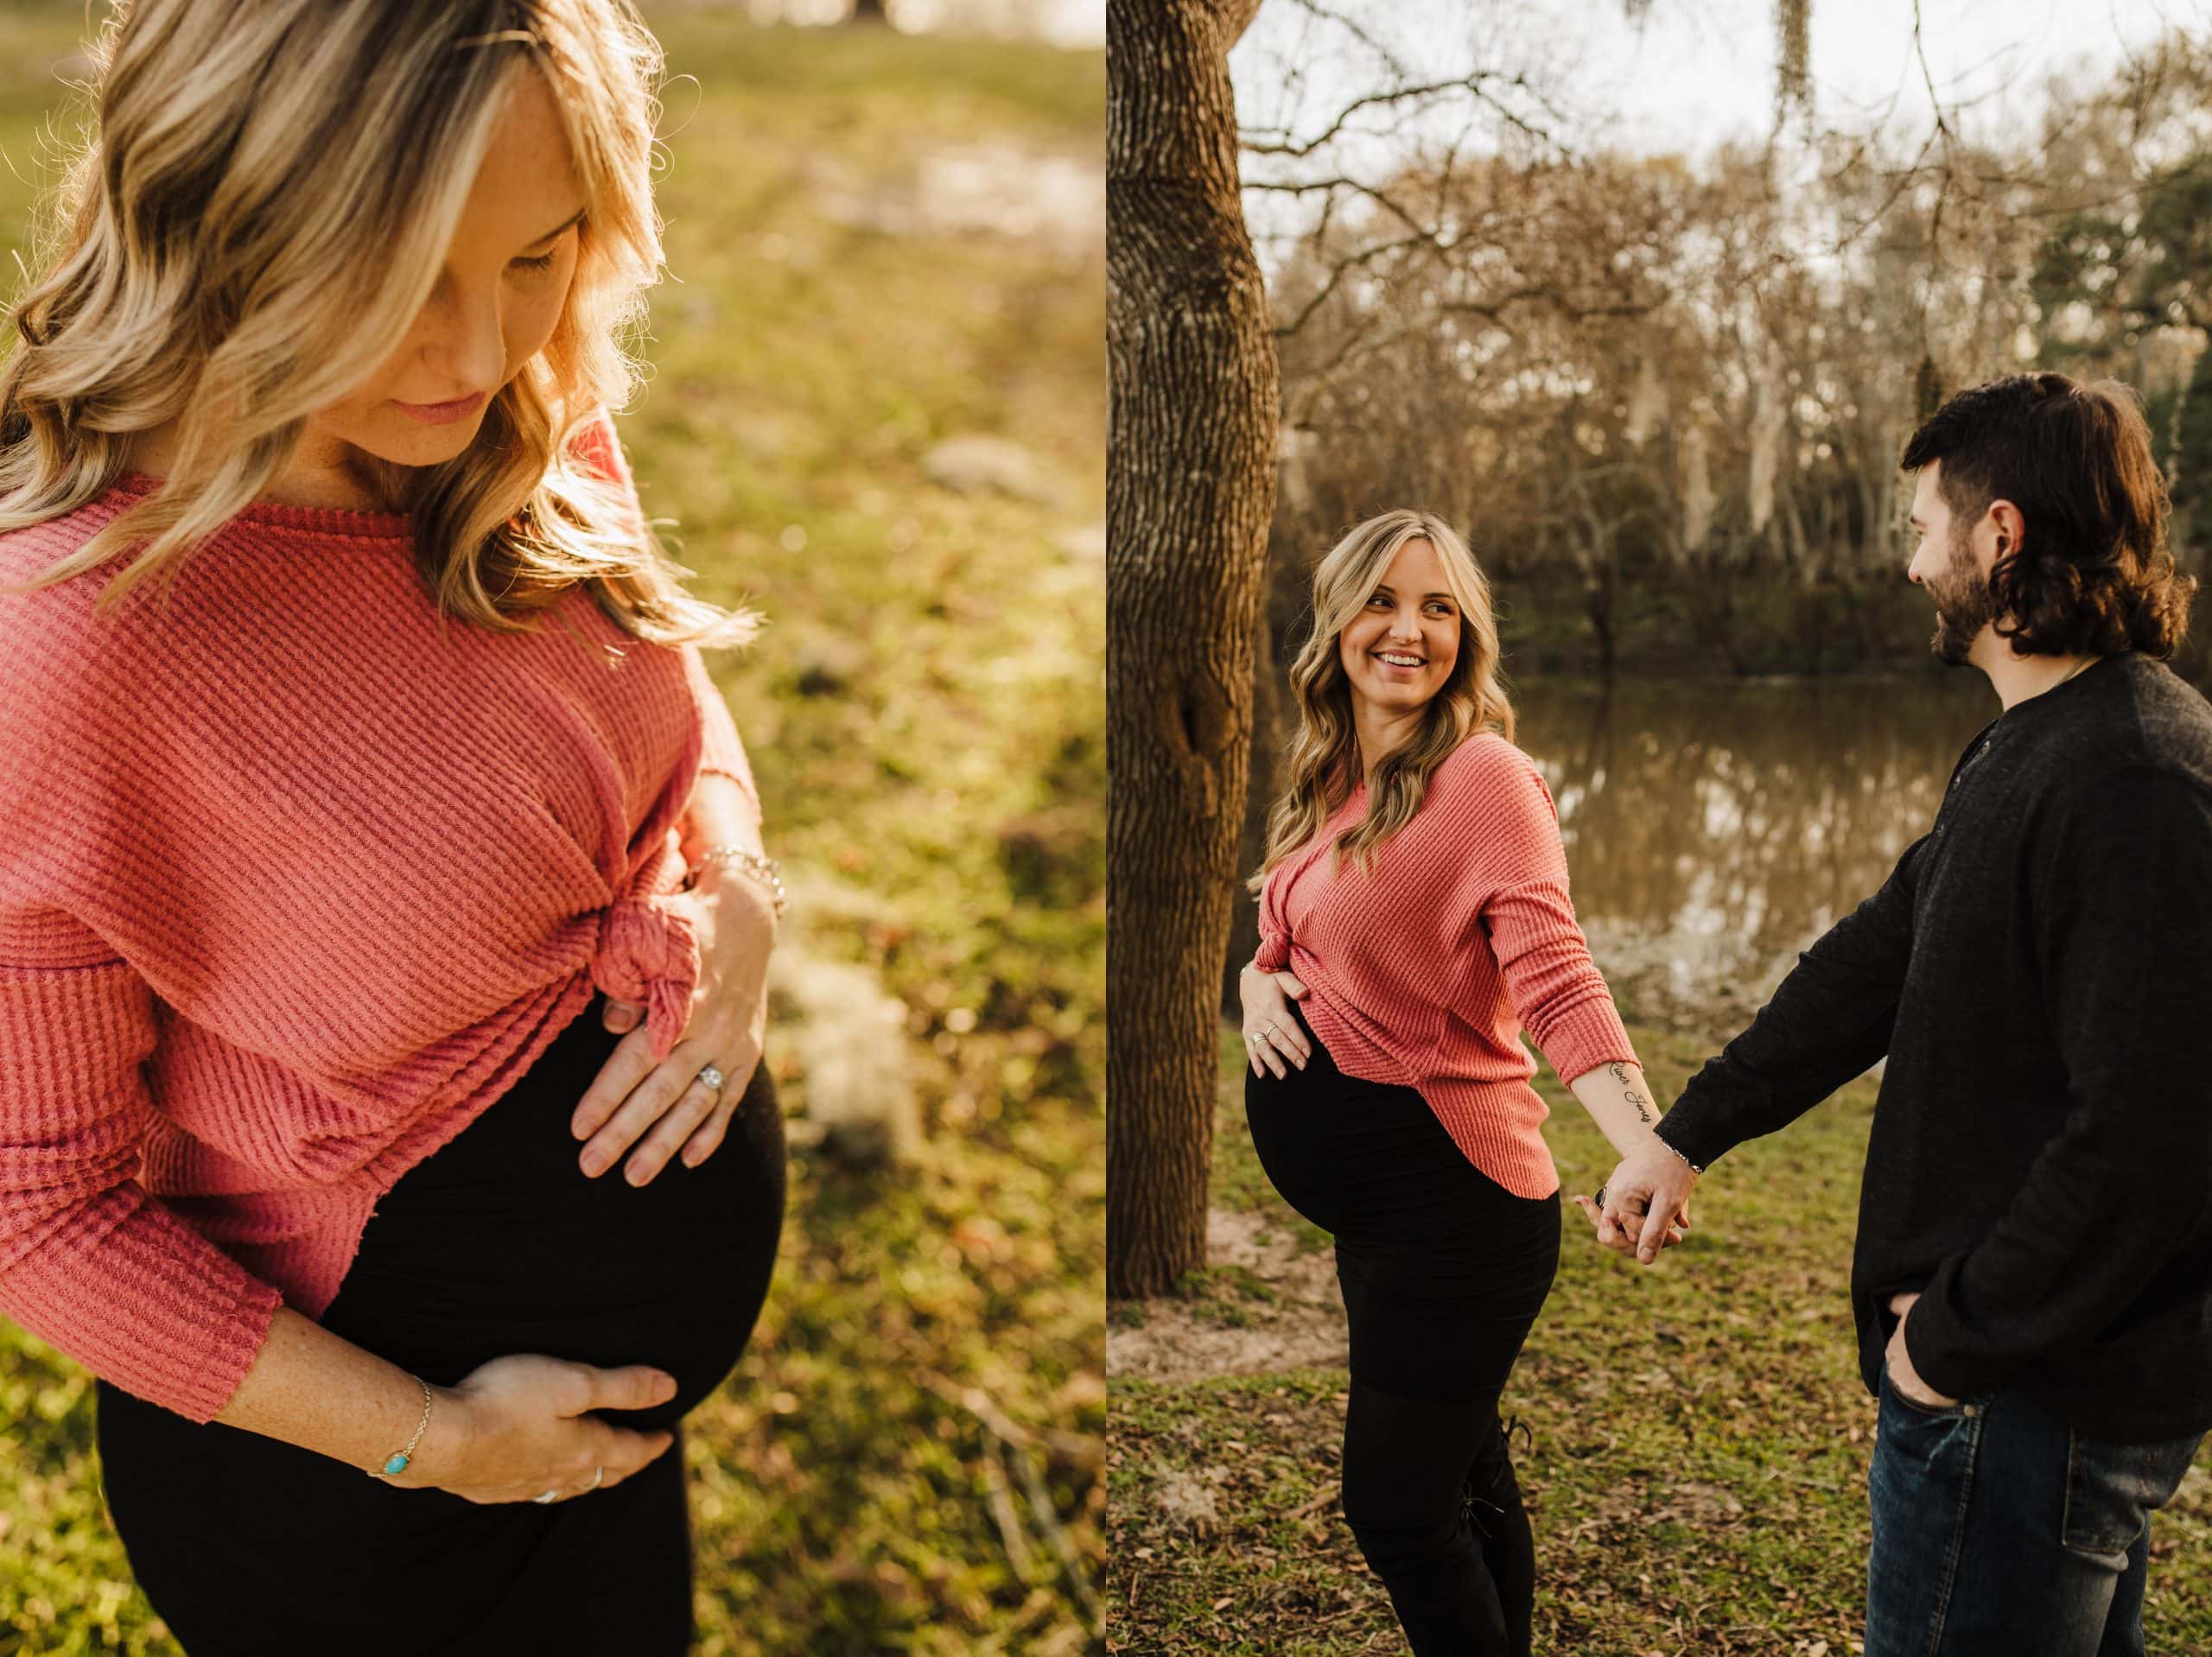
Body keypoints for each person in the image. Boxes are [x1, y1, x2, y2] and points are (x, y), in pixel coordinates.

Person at [0, 3, 787, 1650]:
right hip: (354, 1510)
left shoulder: (519, 409)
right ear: (223, 211)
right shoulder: (74, 646)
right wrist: (438, 1443)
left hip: (600, 1454)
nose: (481, 348)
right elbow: (39, 1217)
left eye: (541, 256)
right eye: (406, 276)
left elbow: (666, 695)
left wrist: (738, 891)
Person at [1592, 372, 2212, 1656]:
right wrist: (1686, 1131)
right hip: (2015, 1391)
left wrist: (1952, 1339)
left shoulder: (2138, 779)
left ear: (2000, 534)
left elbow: (2151, 1135)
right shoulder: (2033, 743)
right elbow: (1876, 959)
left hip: (2030, 1397)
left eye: (1924, 527)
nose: (1914, 560)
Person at [1237, 508, 1687, 1657]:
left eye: (1439, 606)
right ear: (1337, 617)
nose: (1408, 629)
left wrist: (1641, 1140)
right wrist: (1256, 984)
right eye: (1383, 600)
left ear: (1468, 634)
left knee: (1393, 1508)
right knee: (1463, 1474)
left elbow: (1557, 974)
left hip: (1458, 1212)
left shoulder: (1485, 776)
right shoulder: (1340, 767)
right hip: (1383, 1216)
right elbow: (1301, 925)